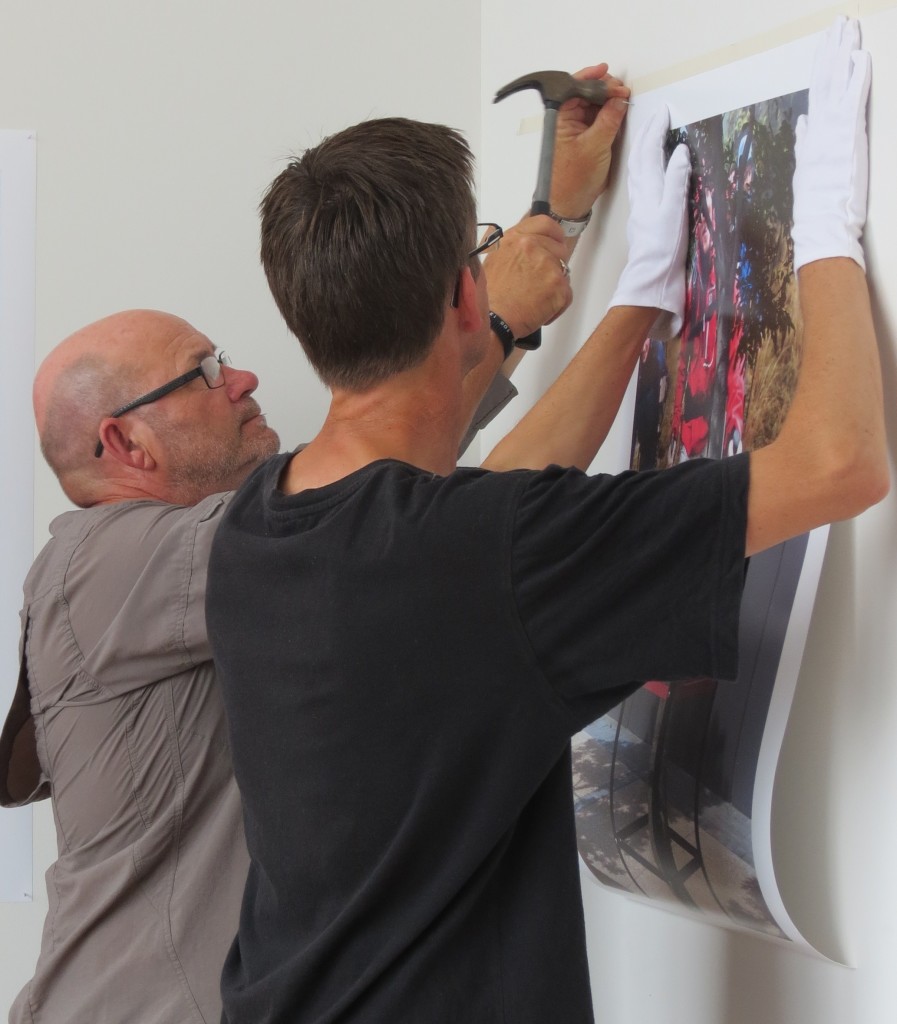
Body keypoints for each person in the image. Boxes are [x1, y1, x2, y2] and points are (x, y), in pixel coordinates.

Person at [205, 17, 887, 1024]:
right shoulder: (486, 553)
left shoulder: (259, 527)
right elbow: (841, 460)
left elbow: (475, 498)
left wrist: (641, 294)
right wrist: (827, 220)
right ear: (464, 298)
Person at [0, 65, 634, 1024]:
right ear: (124, 444)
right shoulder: (102, 566)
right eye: (203, 373)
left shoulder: (269, 537)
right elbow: (375, 496)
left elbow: (394, 482)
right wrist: (491, 311)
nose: (245, 374)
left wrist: (550, 224)